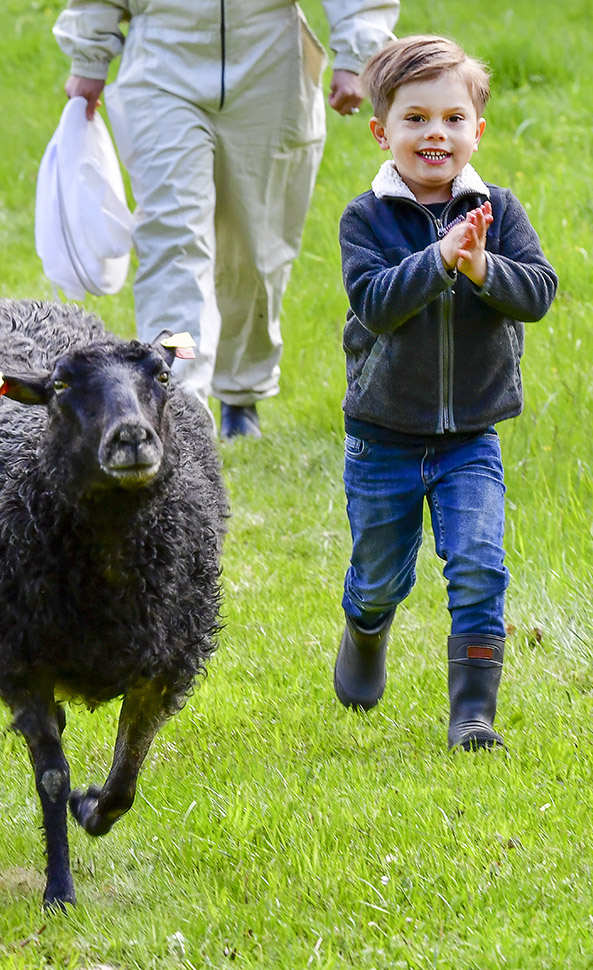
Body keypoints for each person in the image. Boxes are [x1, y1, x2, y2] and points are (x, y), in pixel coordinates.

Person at [332, 35, 557, 748]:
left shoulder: (500, 208)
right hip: (383, 438)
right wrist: (438, 260)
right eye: (417, 119)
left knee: (480, 565)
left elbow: (540, 291)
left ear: (477, 130)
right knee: (378, 574)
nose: (436, 134)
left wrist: (483, 266)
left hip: (471, 438)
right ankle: (366, 628)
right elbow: (374, 302)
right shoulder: (366, 219)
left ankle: (472, 715)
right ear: (382, 131)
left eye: (453, 119)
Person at [52, 1, 399, 438]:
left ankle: (240, 389)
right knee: (171, 237)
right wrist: (89, 53)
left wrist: (357, 54)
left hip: (270, 62)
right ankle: (179, 406)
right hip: (161, 60)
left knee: (256, 248)